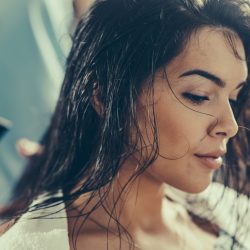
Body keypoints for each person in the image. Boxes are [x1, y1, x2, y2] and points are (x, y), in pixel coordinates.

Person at [0, 0, 250, 249]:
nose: (230, 126)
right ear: (106, 96)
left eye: (233, 99)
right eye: (199, 96)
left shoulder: (237, 217)